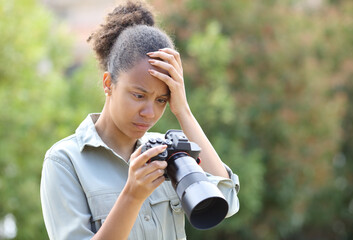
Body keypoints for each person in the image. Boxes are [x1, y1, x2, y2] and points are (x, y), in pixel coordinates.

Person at [40, 1, 240, 239]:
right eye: (139, 95)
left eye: (161, 100)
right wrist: (132, 196)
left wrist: (183, 110)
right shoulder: (65, 161)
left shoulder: (167, 153)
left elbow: (226, 199)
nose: (150, 113)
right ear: (108, 84)